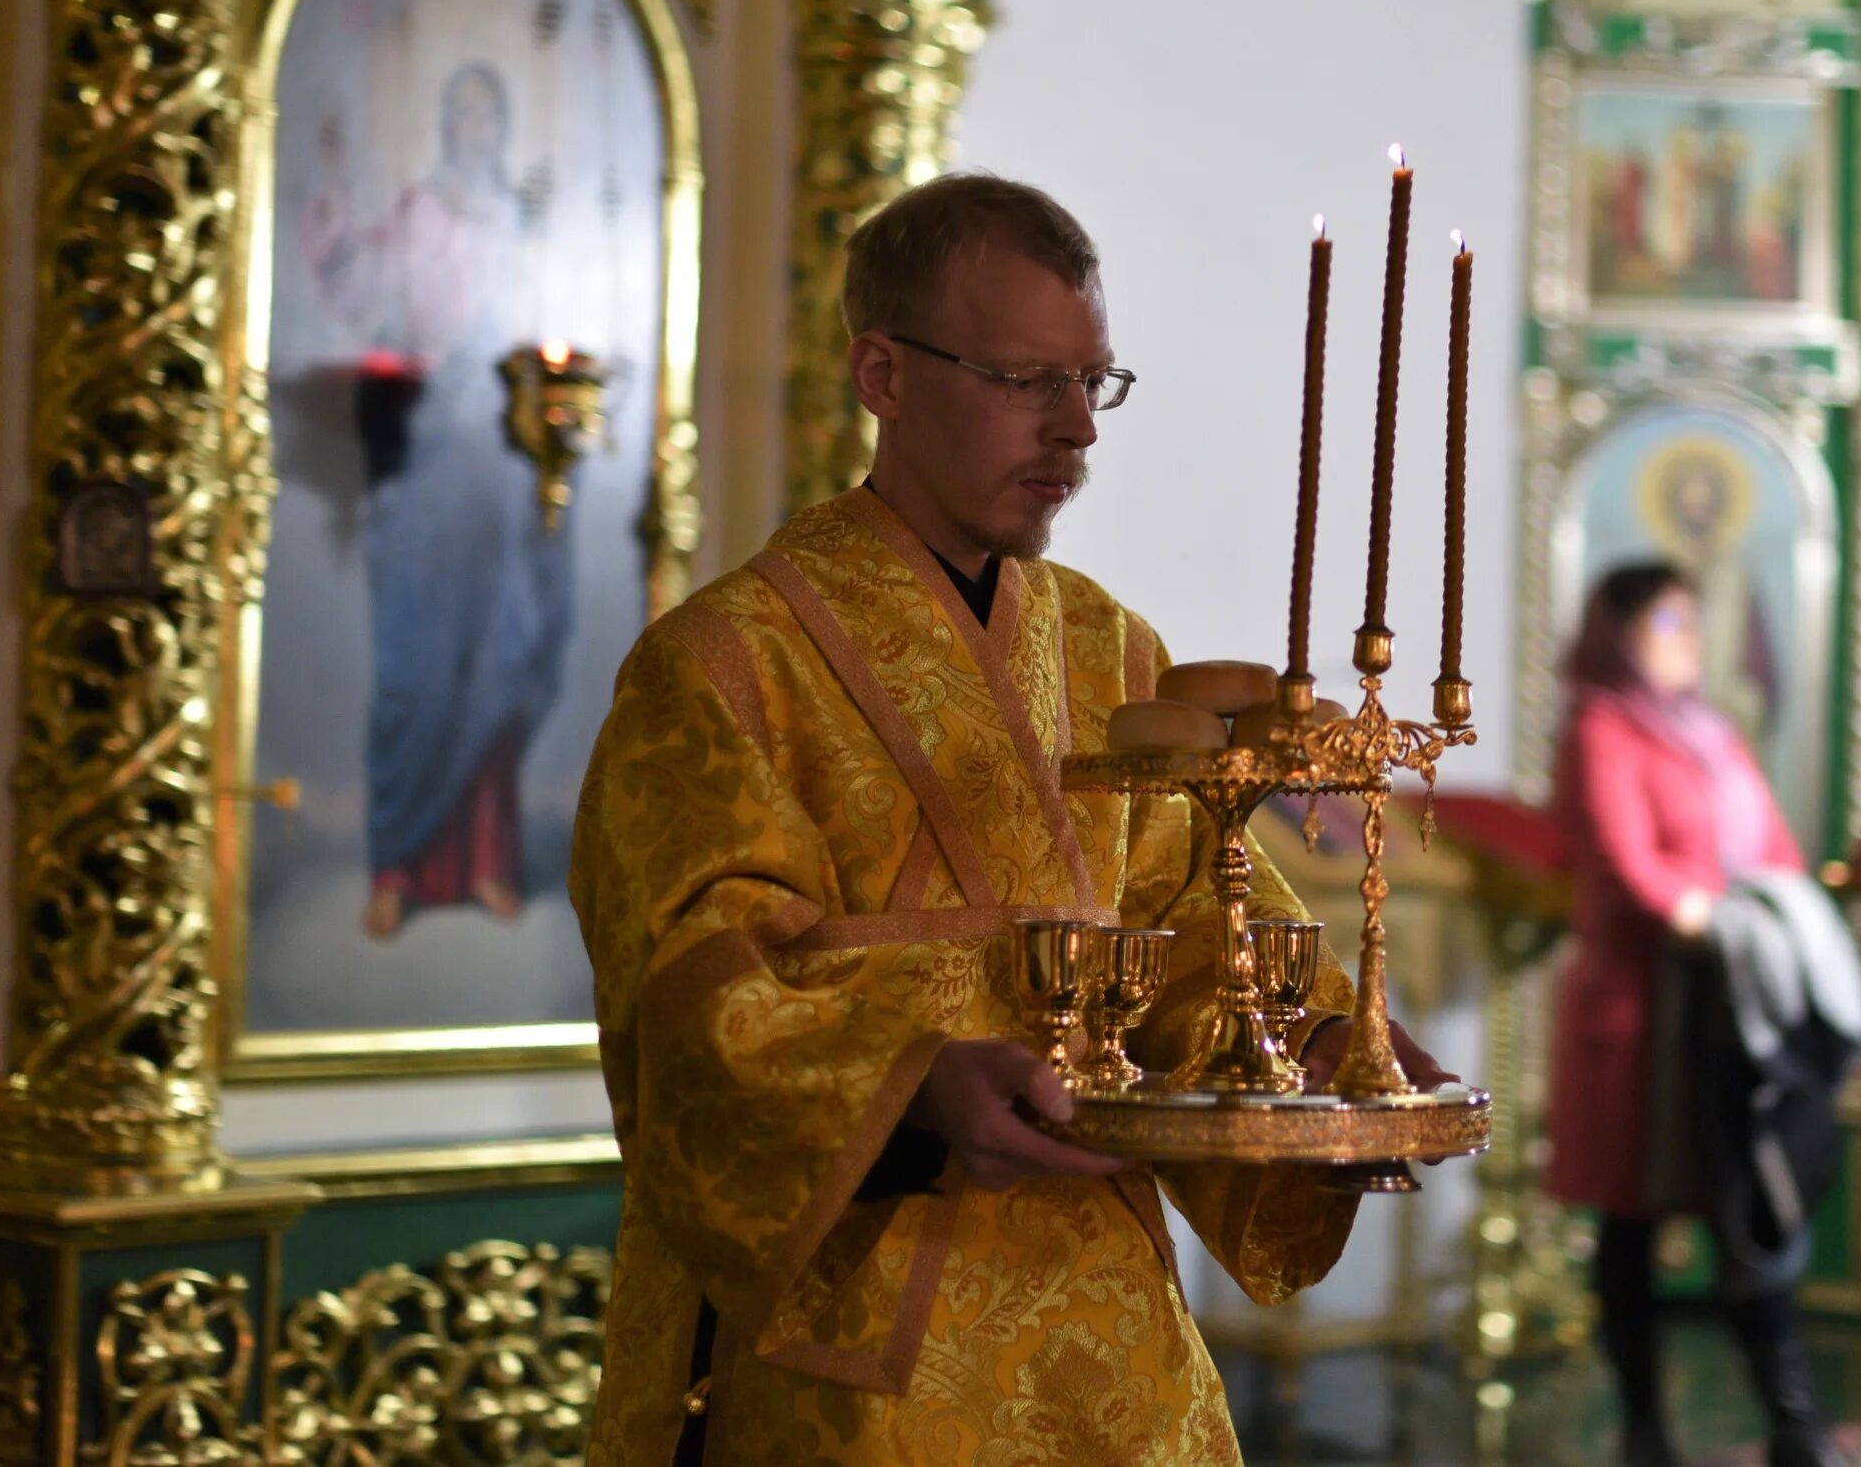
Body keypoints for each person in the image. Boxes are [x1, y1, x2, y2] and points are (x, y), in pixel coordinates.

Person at [570, 173, 1453, 1465]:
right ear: (883, 374)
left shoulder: (1110, 651)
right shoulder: (719, 666)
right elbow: (691, 1006)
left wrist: (1324, 1048)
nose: (1076, 430)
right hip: (854, 1347)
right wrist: (914, 1082)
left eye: (1094, 382)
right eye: (1024, 380)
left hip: (1107, 1342)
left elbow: (1194, 932)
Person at [1544, 561, 1860, 1467]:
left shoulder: (1712, 733)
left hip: (1730, 1012)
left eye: (1693, 619)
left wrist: (1777, 918)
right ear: (1620, 634)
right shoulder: (1600, 726)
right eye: (1667, 622)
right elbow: (1620, 857)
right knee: (1631, 1222)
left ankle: (1795, 1426)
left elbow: (1772, 848)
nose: (1688, 639)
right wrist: (1705, 912)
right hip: (1641, 1015)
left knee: (1749, 1201)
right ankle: (1646, 1430)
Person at [298, 60, 571, 938]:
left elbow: (559, 334)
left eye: (493, 109)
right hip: (425, 458)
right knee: (415, 671)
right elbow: (362, 285)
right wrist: (337, 195)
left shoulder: (529, 226)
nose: (479, 124)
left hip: (501, 464)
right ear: (449, 124)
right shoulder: (422, 211)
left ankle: (486, 861)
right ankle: (398, 866)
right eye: (465, 109)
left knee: (492, 659)